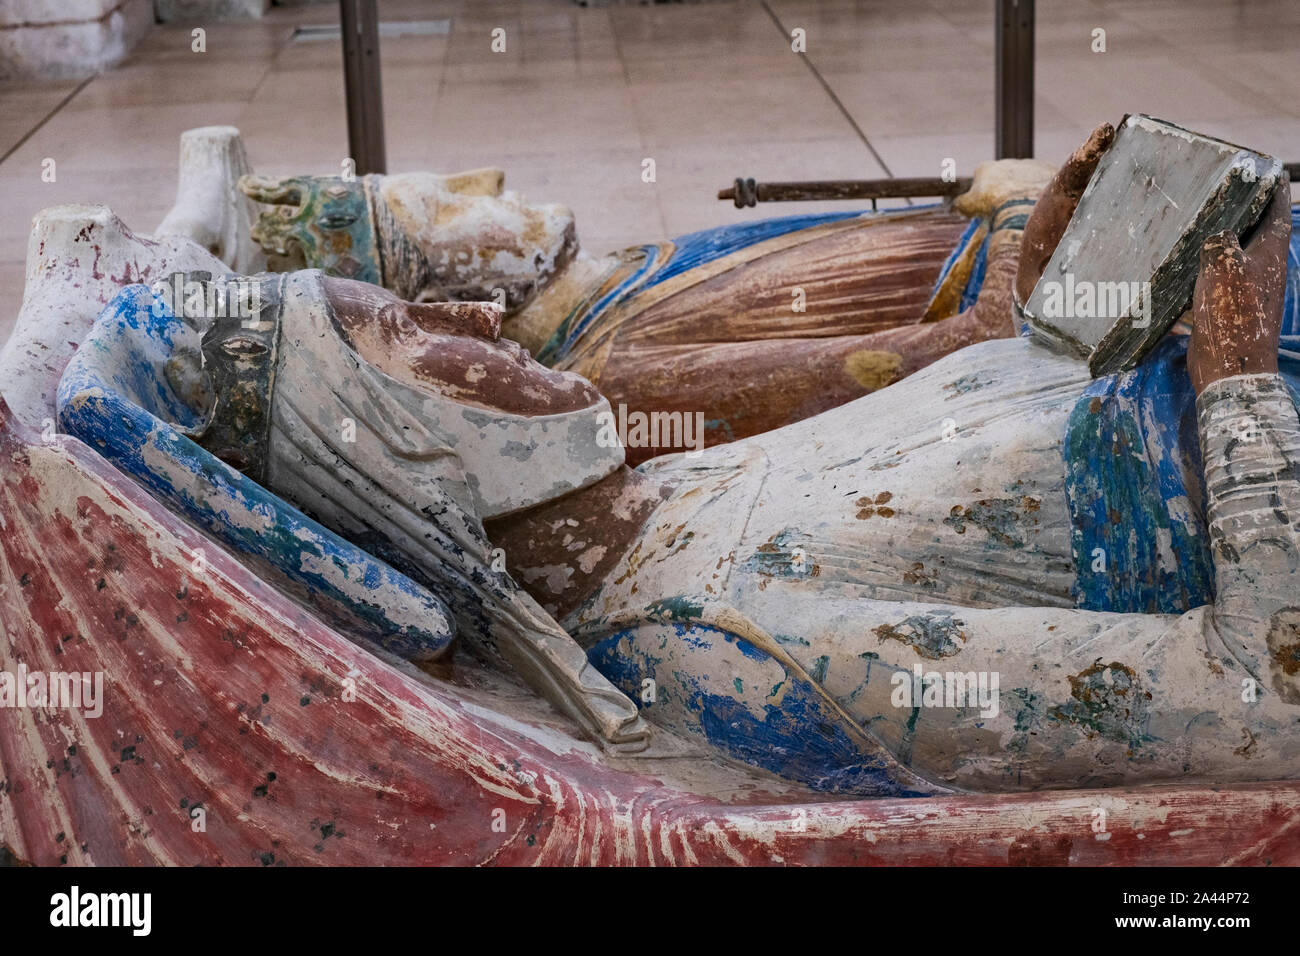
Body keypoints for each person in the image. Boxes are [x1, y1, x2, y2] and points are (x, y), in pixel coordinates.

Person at [105, 123, 1297, 794]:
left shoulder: (654, 500)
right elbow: (1258, 698)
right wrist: (1236, 376)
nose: (469, 317)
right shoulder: (728, 644)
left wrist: (1052, 297)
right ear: (395, 452)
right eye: (408, 333)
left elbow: (982, 419)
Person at [236, 149, 1055, 462]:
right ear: (450, 298)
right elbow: (979, 358)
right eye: (443, 207)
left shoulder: (625, 273)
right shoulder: (614, 377)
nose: (481, 180)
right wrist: (1026, 212)